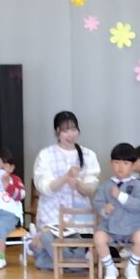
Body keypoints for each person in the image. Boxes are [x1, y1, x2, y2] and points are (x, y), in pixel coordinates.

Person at [29, 111, 100, 269]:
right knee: (48, 237)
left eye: (73, 129)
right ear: (57, 132)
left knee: (76, 242)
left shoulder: (88, 155)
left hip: (79, 216)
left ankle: (54, 261)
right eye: (65, 130)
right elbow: (44, 187)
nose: (70, 134)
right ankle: (77, 264)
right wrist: (65, 177)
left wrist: (77, 184)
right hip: (52, 215)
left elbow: (92, 189)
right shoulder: (45, 155)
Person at [93, 143, 140, 279]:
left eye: (126, 163)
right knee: (99, 237)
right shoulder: (106, 185)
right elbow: (97, 202)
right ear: (111, 163)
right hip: (110, 227)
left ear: (133, 165)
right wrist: (103, 208)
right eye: (116, 162)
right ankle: (110, 267)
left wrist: (120, 196)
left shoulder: (139, 186)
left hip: (133, 227)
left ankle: (131, 267)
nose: (120, 167)